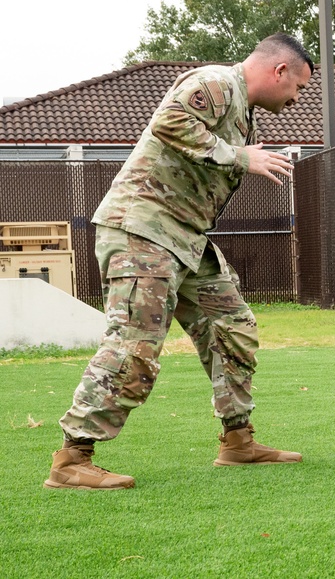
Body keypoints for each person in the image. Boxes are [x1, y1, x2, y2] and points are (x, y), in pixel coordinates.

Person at [44, 33, 314, 489]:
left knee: (233, 328)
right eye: (300, 87)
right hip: (142, 229)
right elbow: (169, 121)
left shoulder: (244, 116)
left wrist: (239, 151)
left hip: (186, 240)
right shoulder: (214, 84)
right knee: (136, 344)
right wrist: (237, 156)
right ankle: (73, 456)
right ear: (279, 70)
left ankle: (238, 440)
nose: (297, 98)